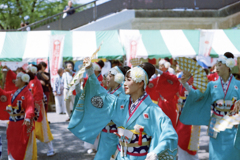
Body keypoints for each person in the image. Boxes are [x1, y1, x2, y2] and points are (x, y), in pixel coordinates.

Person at [69, 59, 178, 160]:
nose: (124, 84)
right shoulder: (121, 104)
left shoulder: (152, 109)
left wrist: (156, 152)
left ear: (140, 83)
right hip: (121, 156)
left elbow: (169, 133)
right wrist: (90, 72)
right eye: (124, 80)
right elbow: (101, 95)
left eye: (128, 80)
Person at [180, 52, 240, 160]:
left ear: (227, 66)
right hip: (216, 124)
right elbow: (197, 95)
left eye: (219, 65)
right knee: (216, 155)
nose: (216, 67)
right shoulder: (212, 85)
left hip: (233, 124)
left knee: (233, 154)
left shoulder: (238, 84)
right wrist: (186, 84)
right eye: (216, 65)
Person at [0, 72, 37, 160]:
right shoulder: (15, 92)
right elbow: (5, 94)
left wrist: (28, 118)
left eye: (17, 79)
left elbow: (30, 107)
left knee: (20, 145)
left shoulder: (27, 93)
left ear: (23, 81)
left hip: (20, 123)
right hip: (12, 122)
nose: (15, 80)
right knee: (11, 143)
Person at [95, 66, 128, 160]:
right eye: (107, 75)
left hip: (114, 134)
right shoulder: (108, 91)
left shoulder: (122, 95)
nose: (107, 78)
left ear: (118, 78)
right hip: (105, 133)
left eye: (110, 76)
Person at [27, 65, 55, 157]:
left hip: (37, 109)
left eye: (28, 71)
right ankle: (31, 151)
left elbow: (38, 97)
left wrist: (36, 109)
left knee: (43, 129)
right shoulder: (29, 82)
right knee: (31, 131)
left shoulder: (36, 82)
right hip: (31, 109)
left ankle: (51, 149)